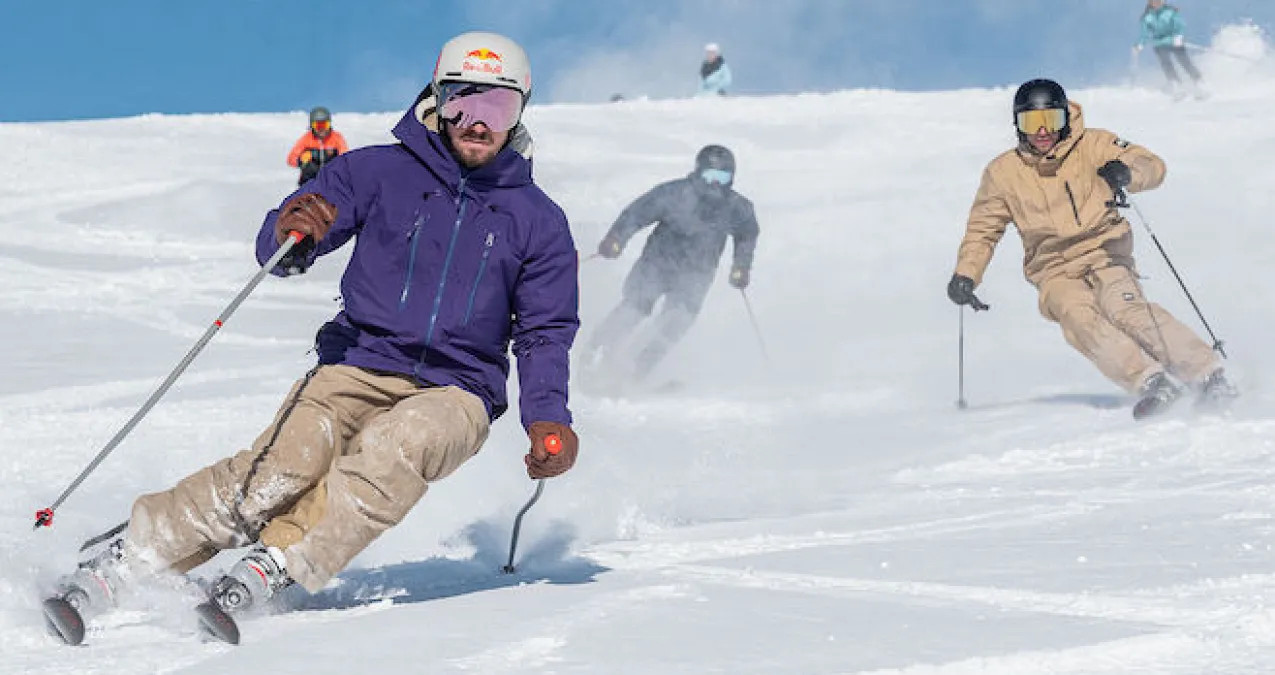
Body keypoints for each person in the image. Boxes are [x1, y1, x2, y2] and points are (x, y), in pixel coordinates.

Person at [53, 31, 580, 619]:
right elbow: (285, 238)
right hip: (357, 360)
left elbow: (544, 332)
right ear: (437, 98)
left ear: (519, 115)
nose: (477, 123)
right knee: (282, 469)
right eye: (463, 101)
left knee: (399, 446)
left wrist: (547, 416)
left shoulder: (539, 221)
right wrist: (292, 232)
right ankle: (131, 558)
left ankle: (279, 563)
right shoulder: (377, 172)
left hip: (459, 390)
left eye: (497, 107)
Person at [947, 78, 1235, 419]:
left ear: (1065, 118)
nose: (1042, 132)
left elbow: (1152, 165)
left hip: (1105, 253)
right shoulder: (1003, 173)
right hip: (1053, 268)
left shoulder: (1094, 145)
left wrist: (1127, 173)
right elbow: (984, 228)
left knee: (1125, 309)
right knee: (1078, 316)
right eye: (1031, 123)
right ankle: (1150, 382)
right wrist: (967, 274)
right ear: (1018, 125)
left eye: (1051, 121)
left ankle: (1207, 374)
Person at [584, 144, 759, 384]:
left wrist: (741, 266)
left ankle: (637, 370)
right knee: (637, 305)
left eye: (722, 177)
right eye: (710, 176)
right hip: (656, 264)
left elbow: (747, 234)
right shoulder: (674, 194)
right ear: (698, 173)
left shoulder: (737, 207)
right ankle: (596, 352)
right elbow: (637, 213)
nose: (714, 184)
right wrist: (616, 239)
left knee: (679, 319)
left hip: (697, 272)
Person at [1135, 0, 1204, 97]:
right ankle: (1175, 83)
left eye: (1159, 1)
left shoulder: (1170, 12)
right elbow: (1144, 34)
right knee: (1165, 62)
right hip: (1159, 43)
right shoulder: (1147, 18)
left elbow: (1180, 25)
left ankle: (1198, 80)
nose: (1157, 2)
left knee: (1184, 61)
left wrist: (1178, 36)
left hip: (1174, 40)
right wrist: (1140, 44)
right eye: (1154, 1)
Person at [286, 106, 350, 186]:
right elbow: (291, 159)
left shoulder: (336, 138)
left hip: (331, 182)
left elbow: (345, 157)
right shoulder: (306, 139)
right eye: (318, 126)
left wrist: (334, 157)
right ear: (312, 126)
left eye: (325, 125)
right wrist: (301, 159)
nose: (321, 129)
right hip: (309, 182)